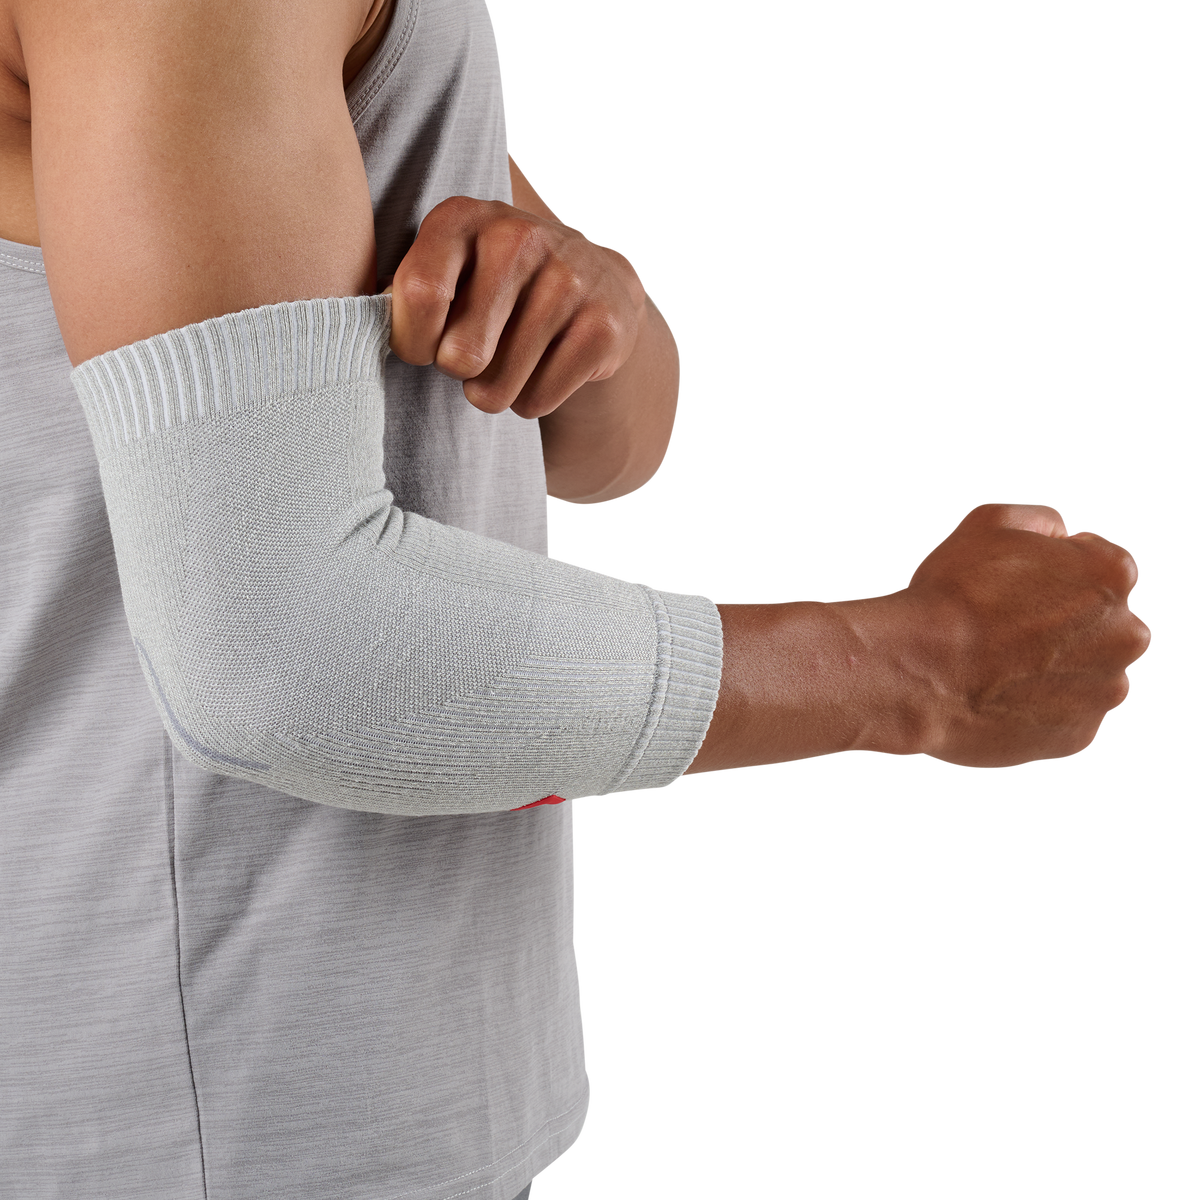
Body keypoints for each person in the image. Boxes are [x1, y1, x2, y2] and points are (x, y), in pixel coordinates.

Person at [0, 0, 1152, 1197]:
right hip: (216, 1104)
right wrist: (915, 667)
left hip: (263, 1076)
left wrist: (589, 303)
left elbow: (605, 446)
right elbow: (280, 655)